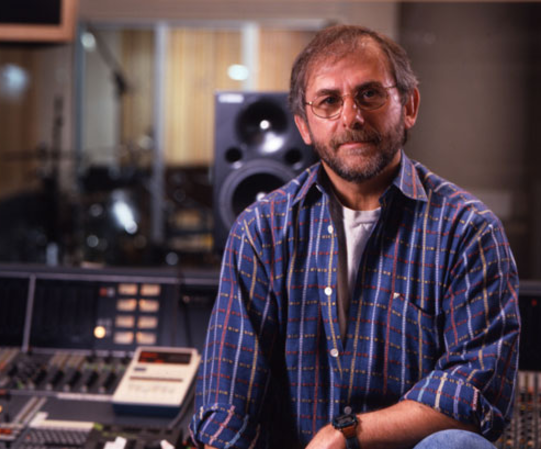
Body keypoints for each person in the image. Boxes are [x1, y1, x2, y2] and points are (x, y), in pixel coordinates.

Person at [189, 24, 520, 449]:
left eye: (369, 94)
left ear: (409, 106)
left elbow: (475, 391)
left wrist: (346, 434)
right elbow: (226, 408)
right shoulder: (260, 231)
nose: (351, 117)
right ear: (304, 126)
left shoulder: (468, 231)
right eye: (329, 101)